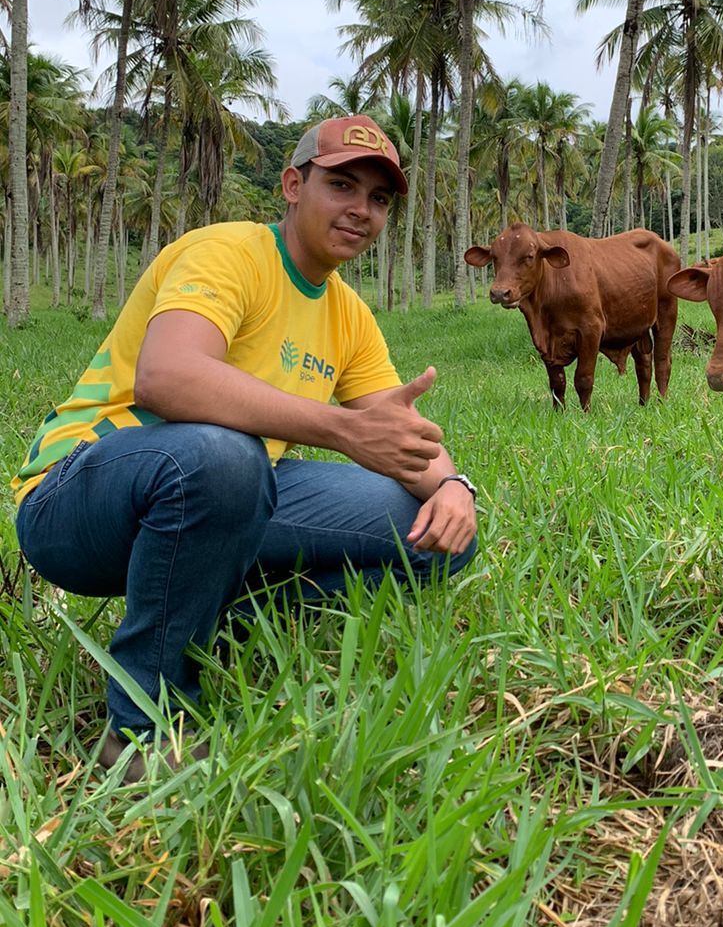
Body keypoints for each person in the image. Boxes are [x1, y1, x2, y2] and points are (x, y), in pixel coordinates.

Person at [11, 114, 478, 781]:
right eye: (342, 185)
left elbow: (404, 441)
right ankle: (141, 731)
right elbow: (168, 377)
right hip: (77, 499)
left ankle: (222, 616)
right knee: (226, 458)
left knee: (436, 535)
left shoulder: (349, 315)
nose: (361, 211)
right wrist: (341, 429)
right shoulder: (228, 253)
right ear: (293, 184)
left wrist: (457, 489)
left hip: (225, 487)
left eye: (378, 199)